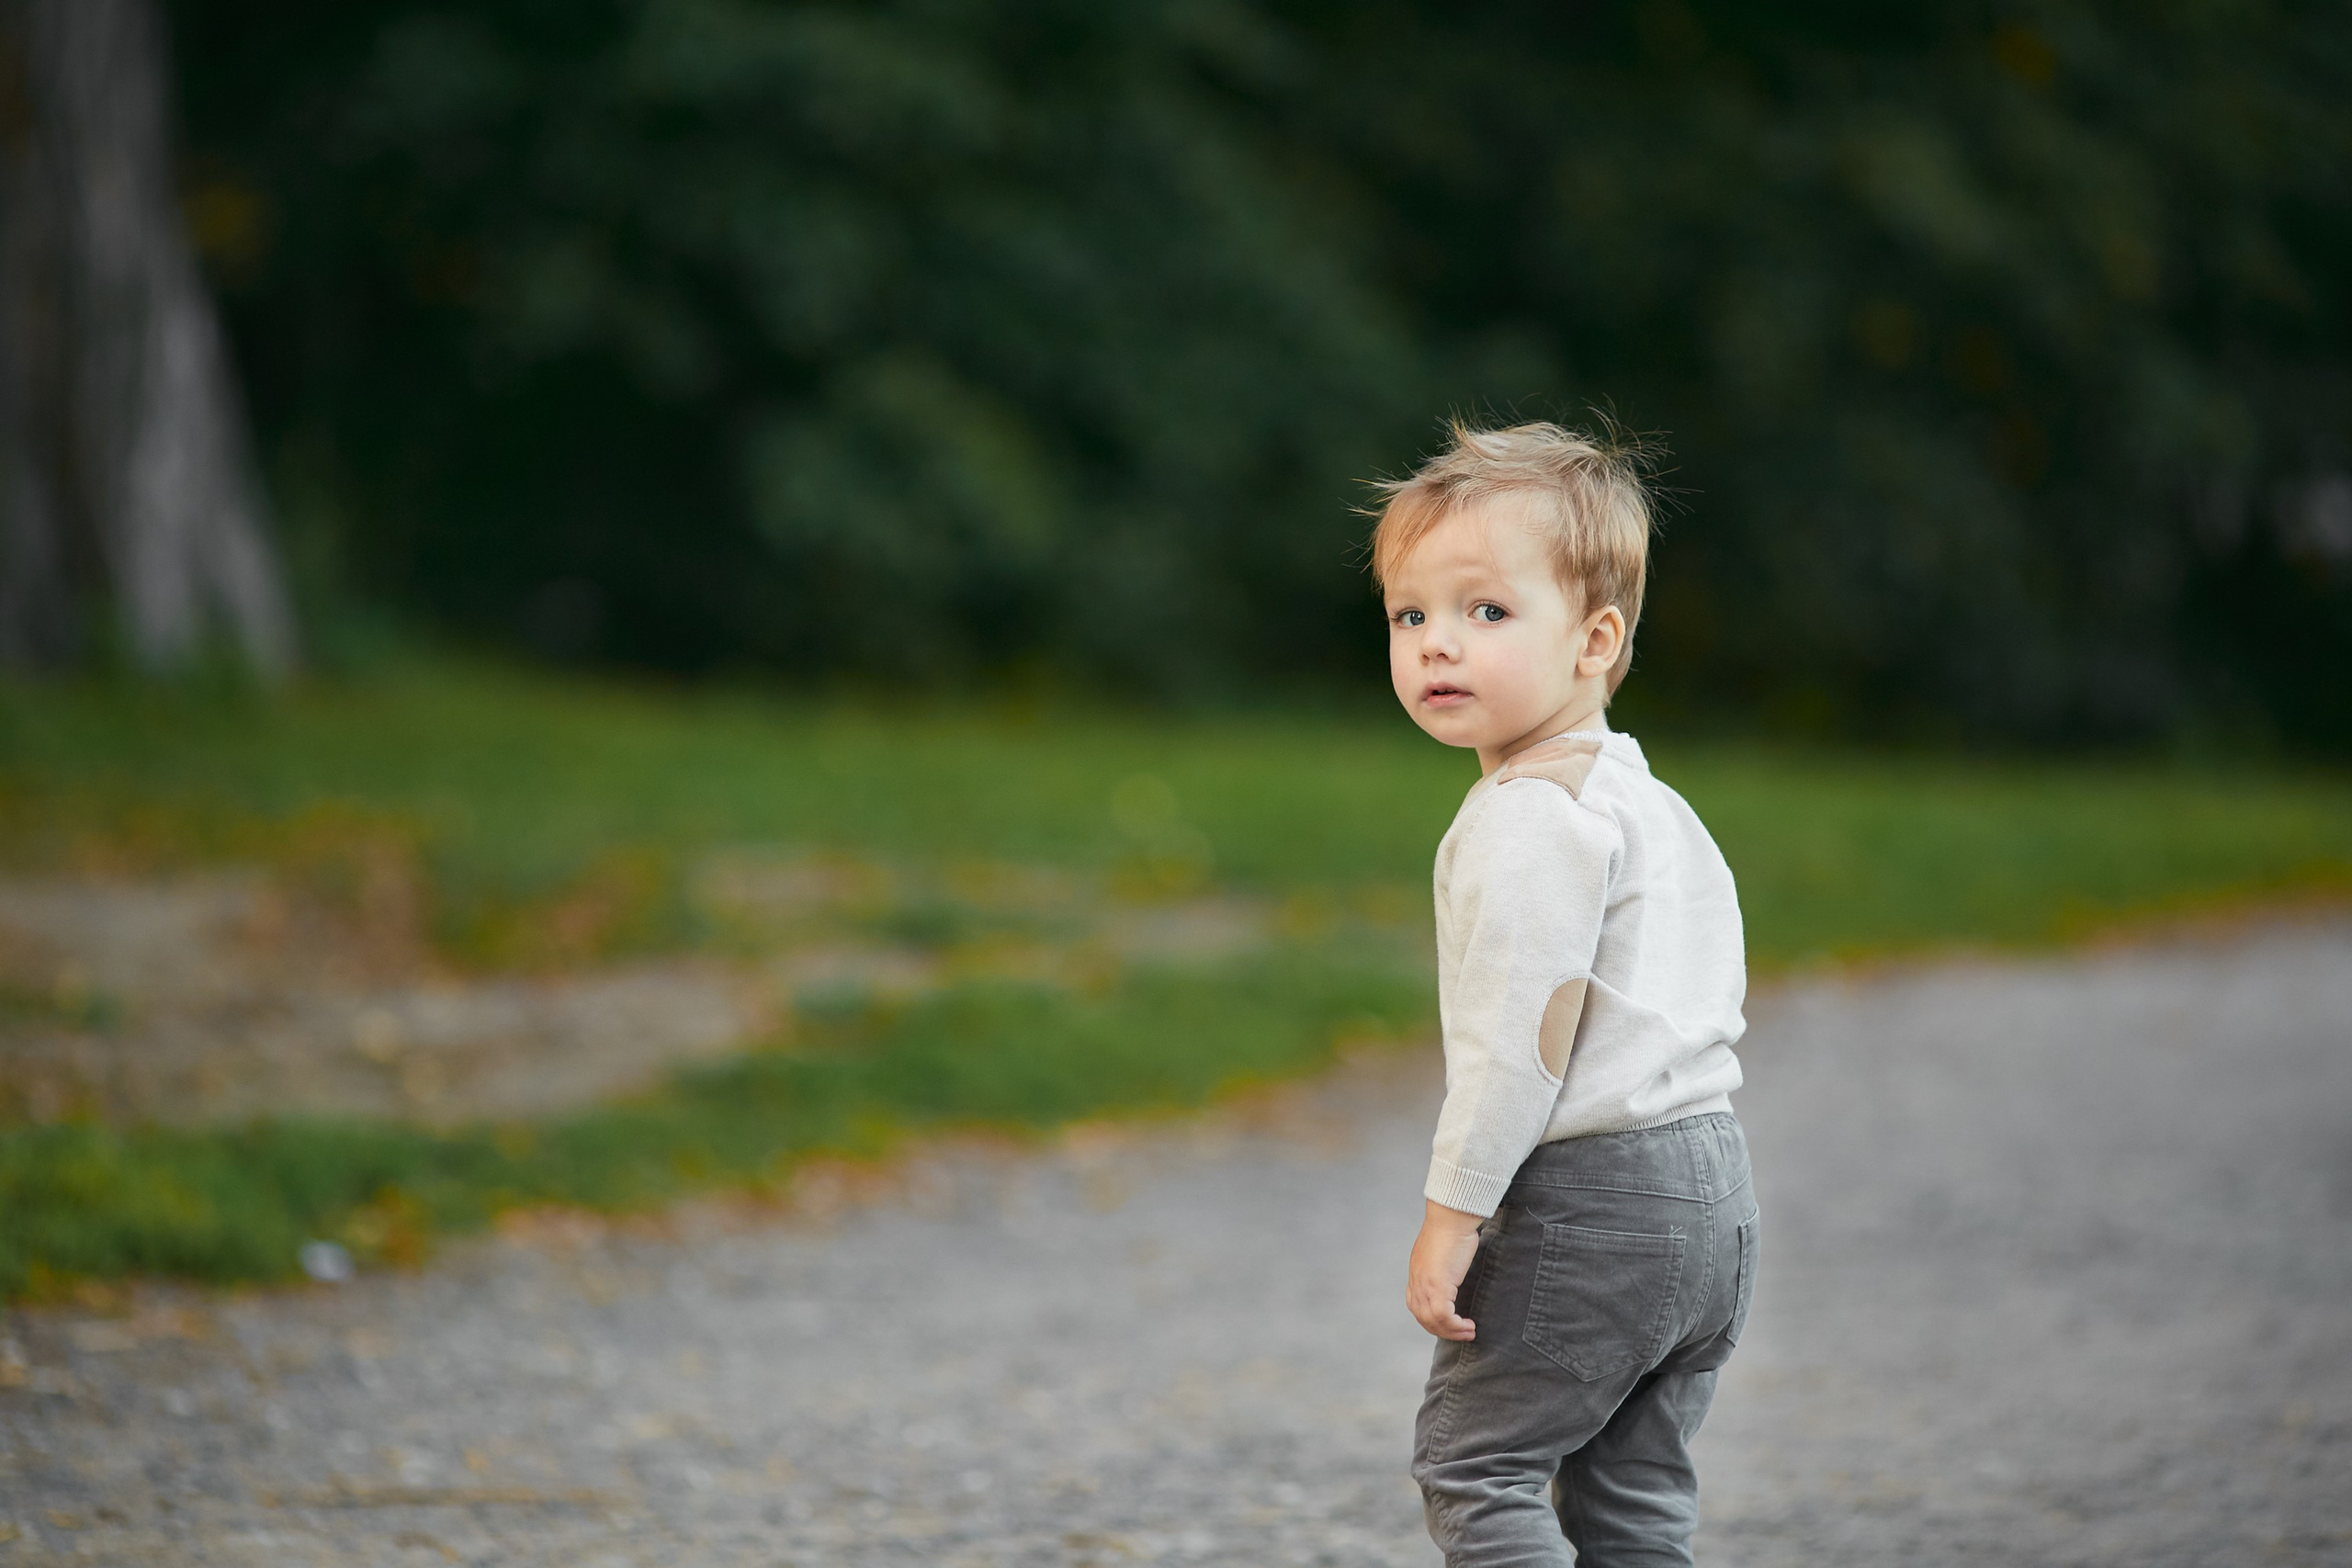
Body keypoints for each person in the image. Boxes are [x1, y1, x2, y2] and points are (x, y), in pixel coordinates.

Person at [1374, 421, 1758, 1566]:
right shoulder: (1652, 804)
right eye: (1411, 615)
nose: (1439, 643)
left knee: (1478, 1465)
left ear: (1596, 640)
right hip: (1714, 1196)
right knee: (1630, 1500)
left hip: (1596, 1201)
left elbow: (1522, 1042)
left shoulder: (1529, 819)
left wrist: (1452, 1215)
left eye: (1486, 612)